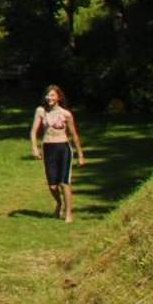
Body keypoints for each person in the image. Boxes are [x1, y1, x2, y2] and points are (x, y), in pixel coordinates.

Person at [29, 85, 86, 222]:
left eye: (53, 95)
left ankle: (68, 213)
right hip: (48, 148)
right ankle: (59, 203)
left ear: (59, 97)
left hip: (63, 148)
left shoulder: (66, 114)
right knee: (52, 185)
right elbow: (33, 131)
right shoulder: (41, 111)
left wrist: (80, 154)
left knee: (64, 182)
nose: (49, 98)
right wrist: (35, 148)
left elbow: (74, 134)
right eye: (48, 95)